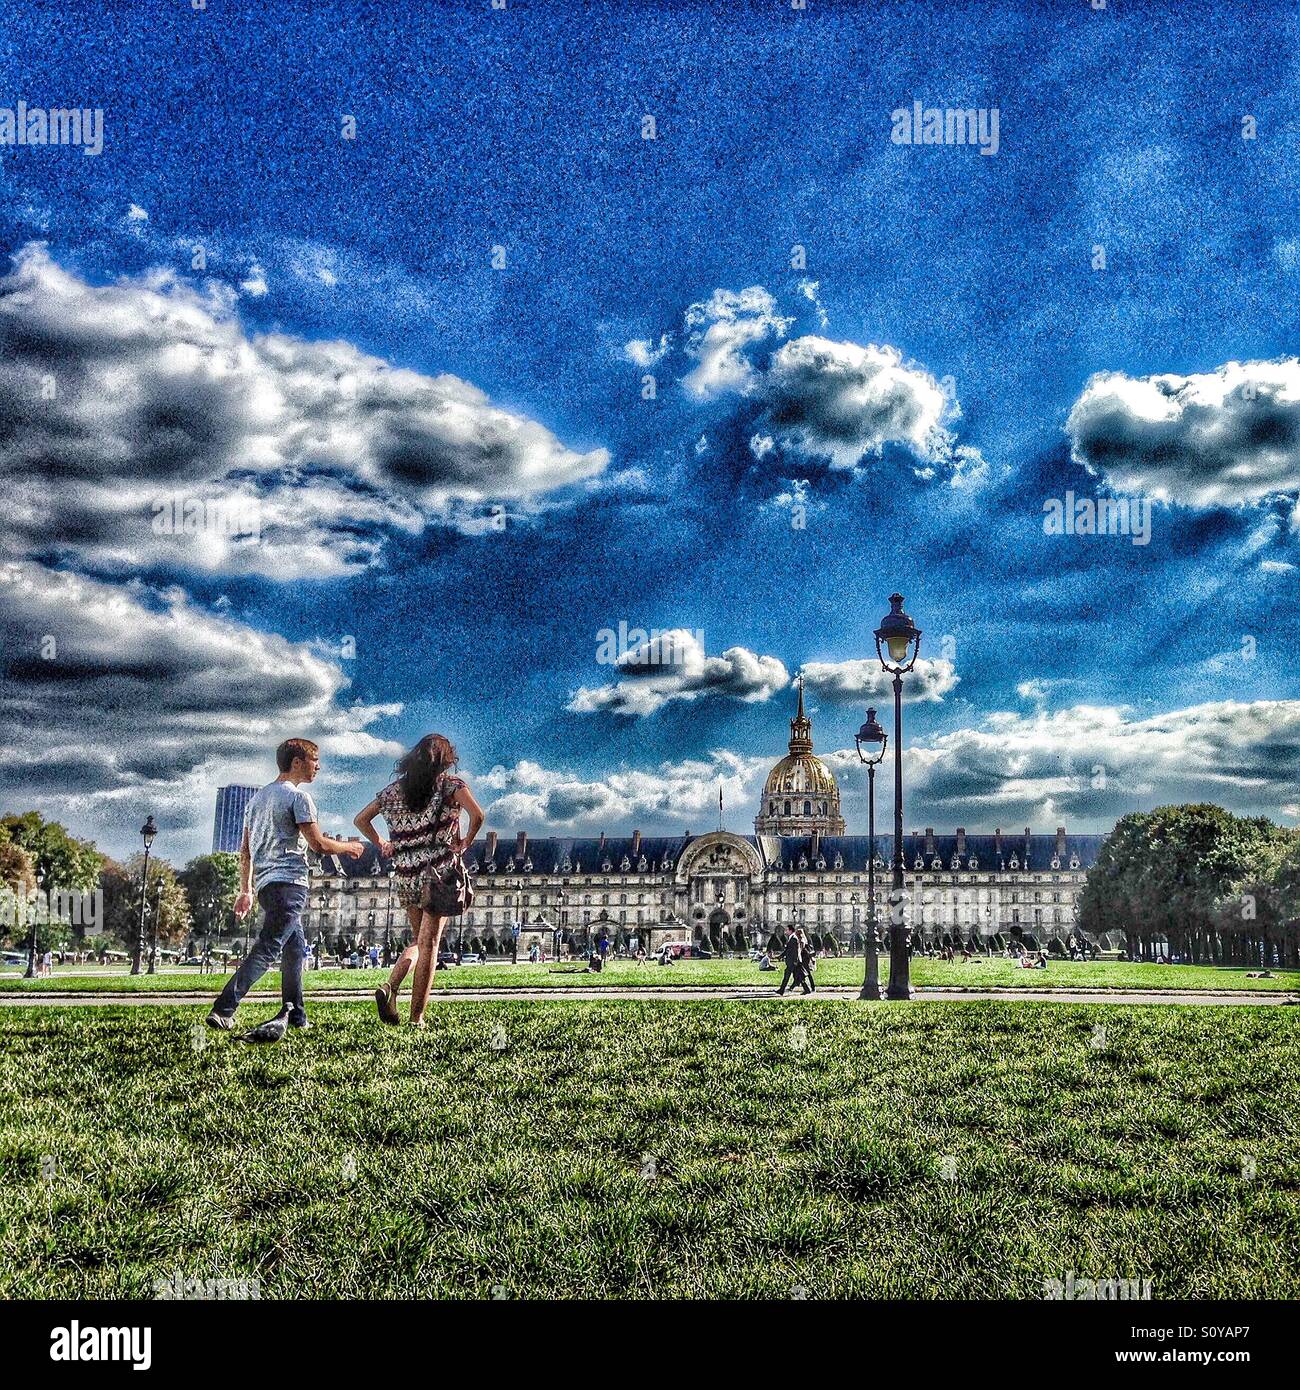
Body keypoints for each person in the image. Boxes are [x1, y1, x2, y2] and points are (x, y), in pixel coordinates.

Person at [207, 738, 365, 1033]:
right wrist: (349, 847)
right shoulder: (298, 798)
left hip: (266, 885)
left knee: (296, 949)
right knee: (268, 948)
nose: (318, 766)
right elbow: (317, 844)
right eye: (314, 760)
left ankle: (296, 1015)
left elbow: (245, 850)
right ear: (297, 762)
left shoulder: (255, 802)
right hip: (291, 883)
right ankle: (224, 1008)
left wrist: (246, 890)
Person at [354, 733, 483, 1028]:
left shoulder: (393, 792)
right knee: (430, 944)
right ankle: (417, 1018)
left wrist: (382, 843)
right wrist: (465, 841)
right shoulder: (452, 786)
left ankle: (391, 988)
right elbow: (478, 814)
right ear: (446, 760)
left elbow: (360, 819)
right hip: (438, 873)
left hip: (406, 874)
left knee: (418, 941)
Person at [777, 927, 811, 996]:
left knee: (787, 975)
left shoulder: (794, 938)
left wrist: (795, 960)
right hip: (793, 961)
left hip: (793, 961)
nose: (785, 931)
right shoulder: (792, 938)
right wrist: (781, 956)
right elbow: (788, 950)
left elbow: (796, 950)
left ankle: (781, 990)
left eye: (787, 930)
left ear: (790, 930)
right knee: (799, 976)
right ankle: (807, 989)